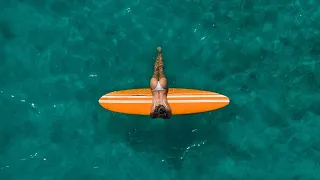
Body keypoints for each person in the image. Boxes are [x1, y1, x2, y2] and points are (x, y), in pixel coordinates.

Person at [150, 47, 172, 119]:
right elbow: (151, 115)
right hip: (154, 88)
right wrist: (158, 113)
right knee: (157, 70)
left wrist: (162, 114)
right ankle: (159, 53)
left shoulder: (166, 107)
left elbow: (169, 115)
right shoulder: (153, 108)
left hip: (163, 86)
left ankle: (159, 53)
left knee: (159, 70)